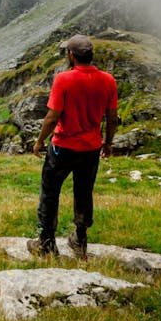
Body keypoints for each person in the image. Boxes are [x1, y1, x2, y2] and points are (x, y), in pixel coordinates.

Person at [28, 34, 118, 259]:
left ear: (71, 55)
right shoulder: (108, 80)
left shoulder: (64, 79)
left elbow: (52, 116)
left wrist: (40, 141)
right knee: (84, 192)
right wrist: (108, 142)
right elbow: (112, 117)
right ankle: (80, 239)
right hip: (90, 149)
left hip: (63, 147)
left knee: (50, 192)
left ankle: (46, 243)